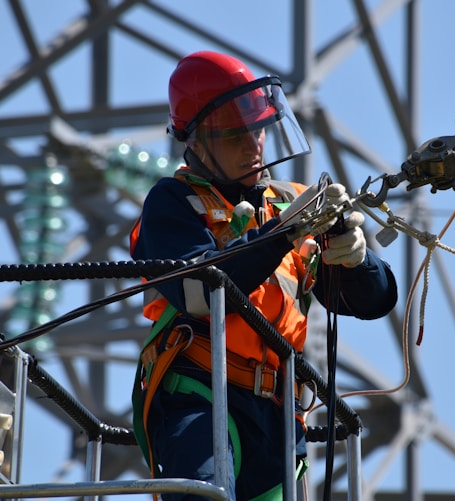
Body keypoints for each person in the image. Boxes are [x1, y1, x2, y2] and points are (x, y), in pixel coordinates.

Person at [130, 50, 398, 501]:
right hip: (202, 391)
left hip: (278, 415)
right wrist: (282, 235)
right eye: (236, 136)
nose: (253, 145)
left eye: (257, 131)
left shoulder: (287, 202)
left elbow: (373, 301)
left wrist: (357, 259)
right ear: (197, 142)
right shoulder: (174, 202)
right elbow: (198, 294)